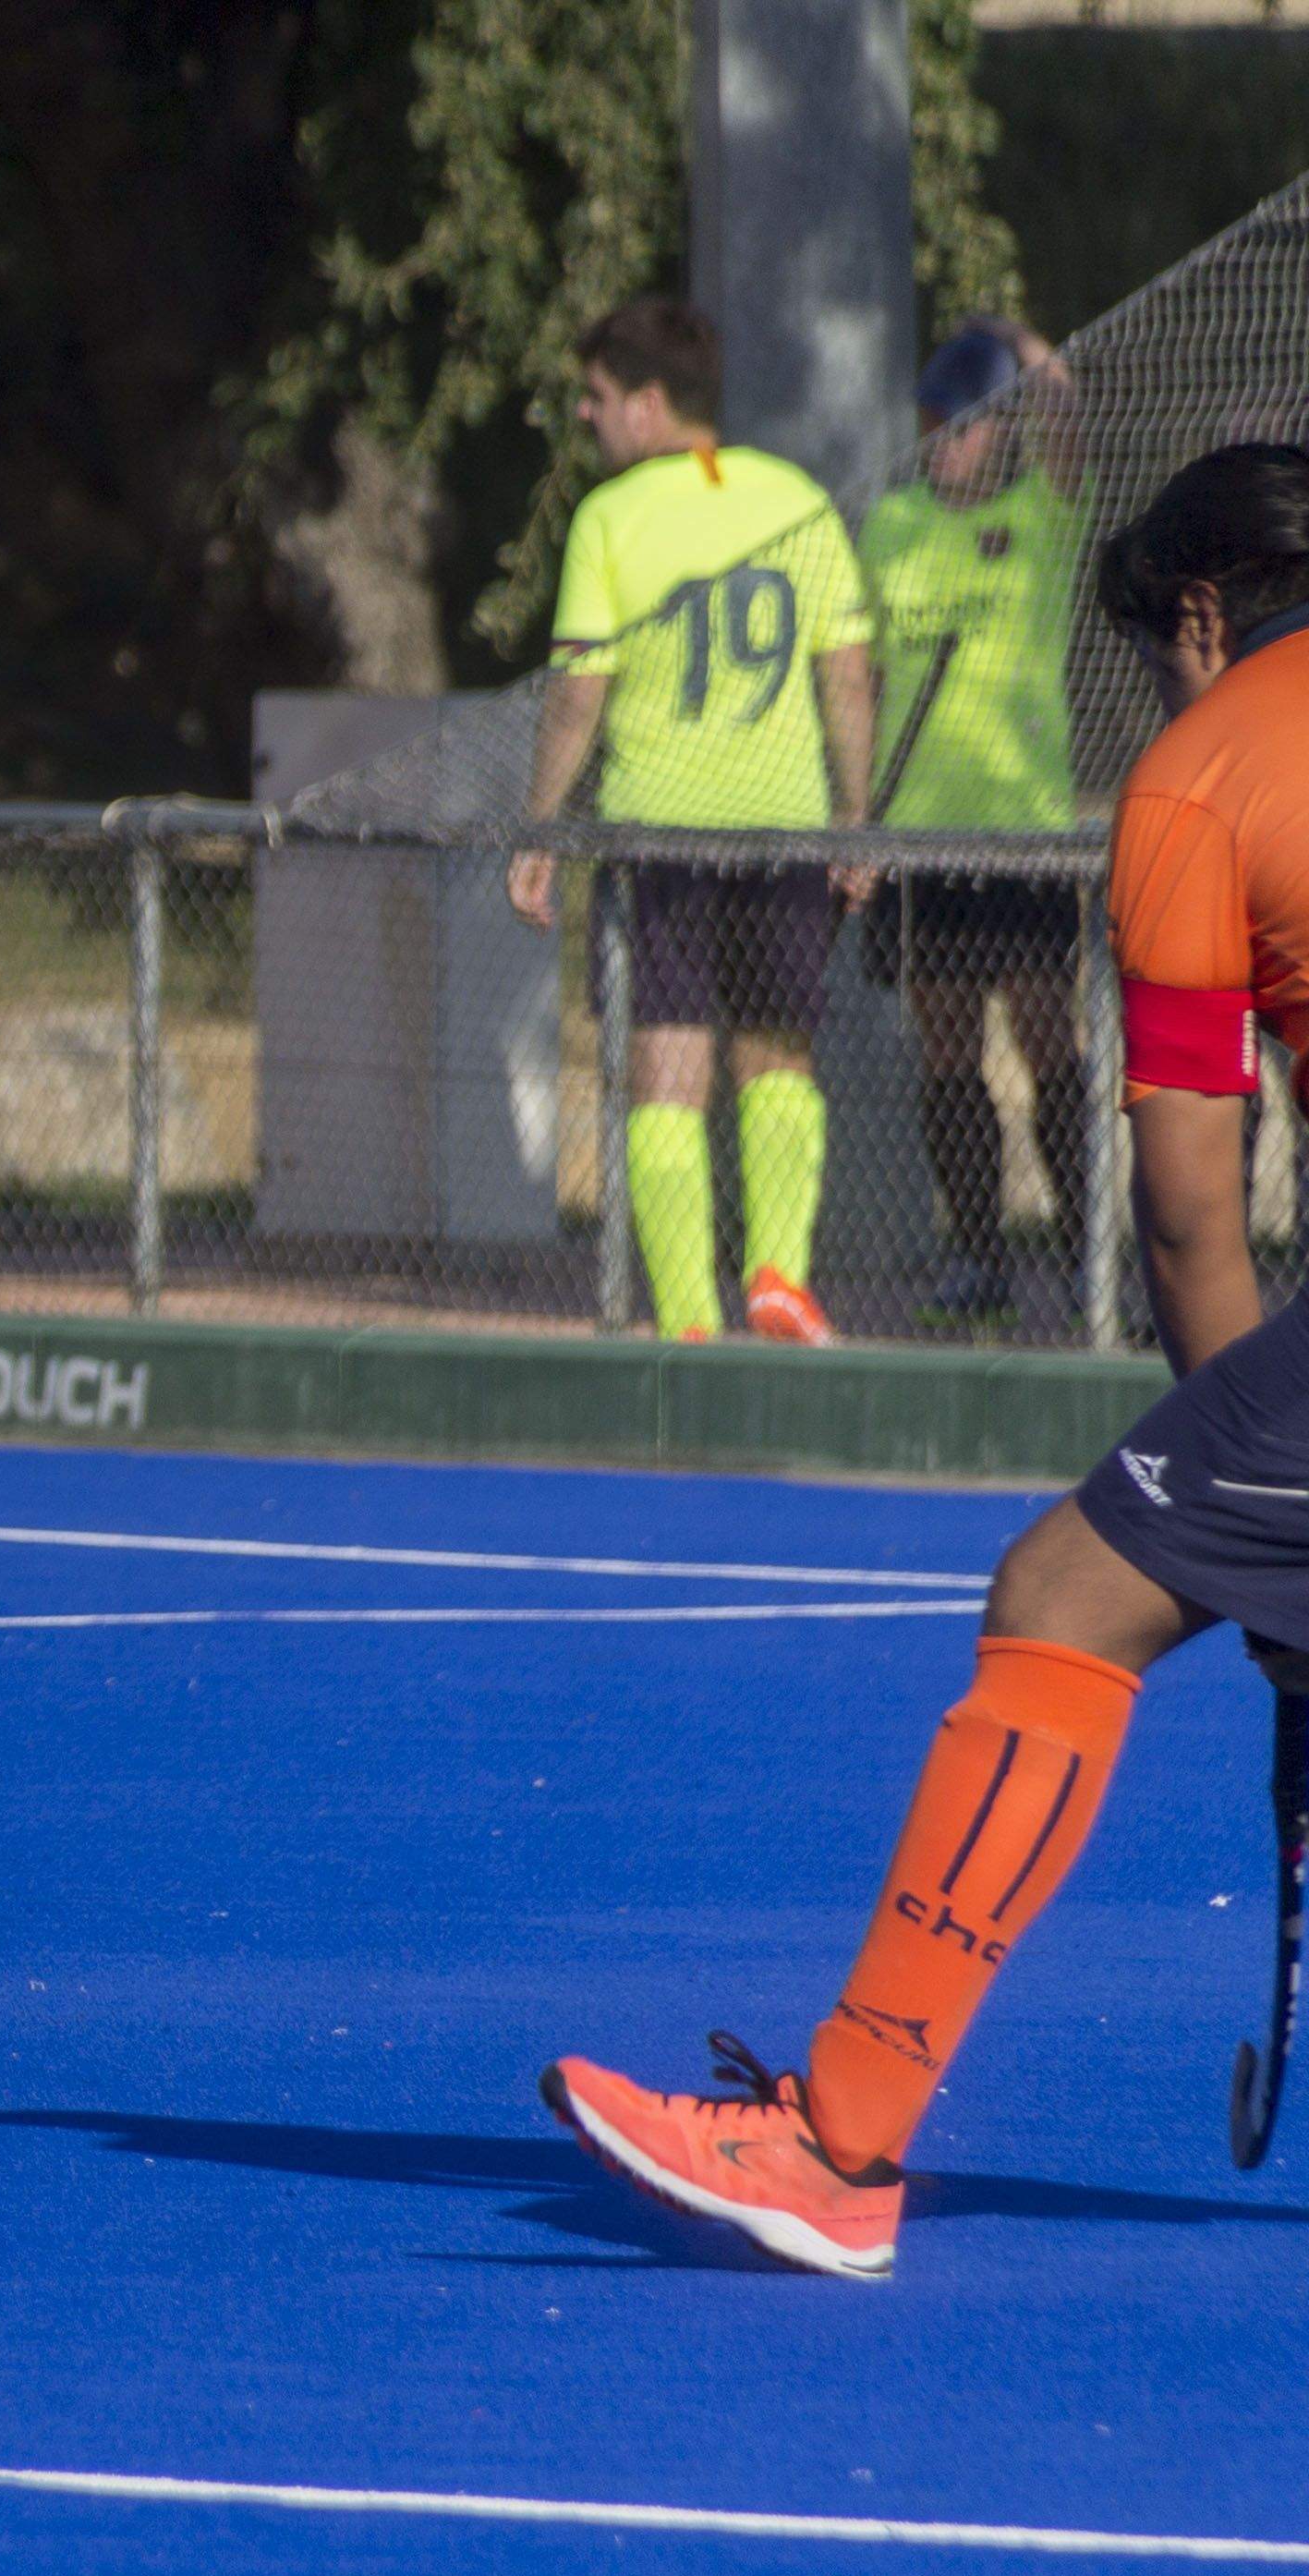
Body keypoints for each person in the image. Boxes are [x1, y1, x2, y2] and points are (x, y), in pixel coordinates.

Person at [540, 444, 1309, 2278]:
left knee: (1060, 1594)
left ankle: (842, 2131)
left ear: (1202, 618)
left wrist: (1265, 1556)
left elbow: (1196, 1215)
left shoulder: (1209, 771)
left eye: (1154, 655)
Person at [508, 298, 879, 1346]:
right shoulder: (797, 497)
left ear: (650, 404)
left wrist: (540, 828)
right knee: (779, 1058)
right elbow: (846, 676)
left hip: (658, 834)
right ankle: (779, 1279)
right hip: (785, 828)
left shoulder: (612, 519)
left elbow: (579, 691)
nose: (585, 418)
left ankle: (686, 1321)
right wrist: (854, 819)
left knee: (668, 1069)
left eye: (595, 398)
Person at [859, 319, 1096, 1332]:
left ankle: (1093, 1250)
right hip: (921, 835)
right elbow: (862, 678)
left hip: (1023, 834)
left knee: (1045, 1034)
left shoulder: (1045, 517)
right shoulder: (892, 526)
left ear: (998, 430)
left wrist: (1022, 343)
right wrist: (857, 824)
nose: (941, 443)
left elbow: (1072, 418)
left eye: (960, 425)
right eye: (930, 425)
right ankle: (979, 1254)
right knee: (946, 1043)